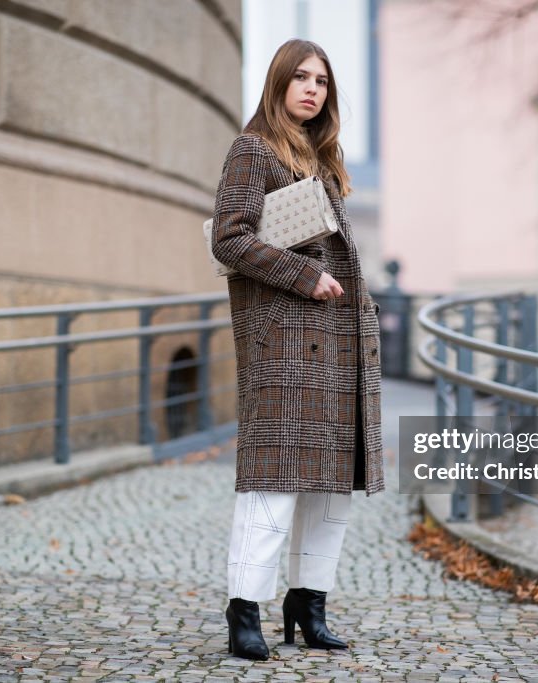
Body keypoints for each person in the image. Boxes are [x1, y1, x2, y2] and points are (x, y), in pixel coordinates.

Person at [210, 39, 385, 661]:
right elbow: (228, 241)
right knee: (274, 483)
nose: (313, 89)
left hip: (338, 344)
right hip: (283, 338)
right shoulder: (252, 150)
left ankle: (308, 606)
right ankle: (245, 611)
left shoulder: (325, 161)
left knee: (333, 486)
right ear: (279, 82)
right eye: (301, 78)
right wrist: (304, 275)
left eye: (323, 82)